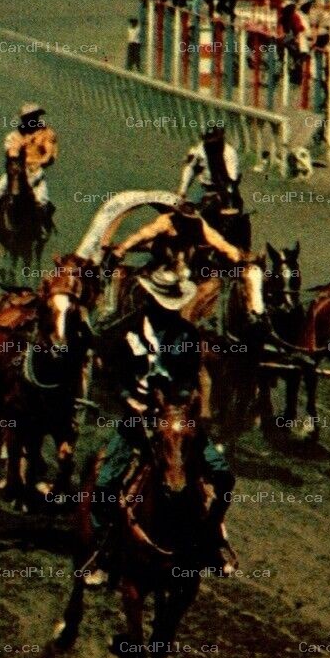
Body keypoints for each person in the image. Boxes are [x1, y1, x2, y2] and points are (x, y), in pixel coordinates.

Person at [83, 266, 235, 586]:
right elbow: (115, 379)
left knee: (222, 474)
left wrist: (176, 406)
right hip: (138, 420)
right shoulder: (127, 334)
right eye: (163, 302)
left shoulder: (188, 336)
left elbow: (190, 379)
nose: (169, 310)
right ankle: (101, 552)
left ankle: (214, 540)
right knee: (106, 482)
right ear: (151, 299)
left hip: (177, 420)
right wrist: (131, 402)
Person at [111, 200, 243, 277]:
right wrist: (123, 247)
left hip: (186, 259)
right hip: (163, 255)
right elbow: (143, 234)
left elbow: (217, 240)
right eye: (183, 218)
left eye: (189, 218)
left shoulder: (199, 223)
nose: (186, 221)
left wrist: (233, 252)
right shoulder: (166, 221)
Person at [0, 102, 57, 217]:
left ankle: (43, 229)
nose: (28, 120)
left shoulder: (46, 133)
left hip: (35, 171)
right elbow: (12, 149)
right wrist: (14, 156)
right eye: (26, 118)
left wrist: (38, 163)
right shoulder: (17, 134)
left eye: (31, 117)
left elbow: (48, 155)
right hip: (18, 169)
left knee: (41, 201)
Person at [179, 123, 242, 223]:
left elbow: (232, 179)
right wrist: (183, 190)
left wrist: (222, 196)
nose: (210, 143)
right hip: (205, 187)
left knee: (227, 216)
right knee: (186, 209)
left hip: (225, 190)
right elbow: (190, 168)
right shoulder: (199, 150)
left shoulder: (229, 153)